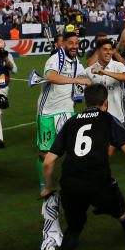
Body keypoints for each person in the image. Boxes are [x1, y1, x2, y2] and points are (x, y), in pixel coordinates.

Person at [40, 84, 125, 250]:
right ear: (105, 103)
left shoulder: (72, 122)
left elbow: (48, 161)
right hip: (98, 182)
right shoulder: (108, 119)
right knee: (124, 215)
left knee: (74, 227)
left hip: (70, 183)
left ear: (85, 102)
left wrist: (48, 187)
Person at [35, 31, 91, 190]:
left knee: (74, 147)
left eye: (77, 43)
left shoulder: (77, 63)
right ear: (63, 44)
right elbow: (51, 77)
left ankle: (72, 180)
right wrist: (75, 80)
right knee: (44, 152)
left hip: (66, 111)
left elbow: (85, 81)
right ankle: (44, 184)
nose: (74, 46)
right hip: (47, 111)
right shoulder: (54, 60)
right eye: (71, 43)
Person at [81, 39, 125, 125]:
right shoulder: (91, 69)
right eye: (105, 49)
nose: (109, 52)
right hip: (98, 117)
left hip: (117, 117)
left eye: (110, 49)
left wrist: (105, 72)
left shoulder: (118, 65)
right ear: (98, 52)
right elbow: (79, 80)